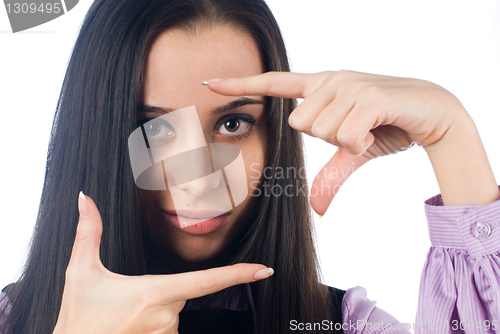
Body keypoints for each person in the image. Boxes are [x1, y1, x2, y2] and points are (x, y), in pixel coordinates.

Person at [1, 0, 499, 333]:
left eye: (234, 124)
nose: (198, 182)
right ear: (94, 137)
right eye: (155, 130)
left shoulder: (340, 325)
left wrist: (451, 137)